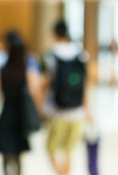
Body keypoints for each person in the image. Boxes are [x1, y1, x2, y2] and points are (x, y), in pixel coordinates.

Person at [42, 21, 92, 175]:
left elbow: (45, 83)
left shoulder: (50, 56)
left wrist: (41, 107)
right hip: (77, 110)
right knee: (69, 150)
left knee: (51, 147)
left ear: (54, 34)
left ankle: (59, 172)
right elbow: (86, 83)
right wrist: (88, 108)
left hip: (57, 109)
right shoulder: (81, 54)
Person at [0, 31, 40, 175]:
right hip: (21, 115)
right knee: (18, 154)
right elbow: (36, 90)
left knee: (5, 153)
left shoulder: (2, 69)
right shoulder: (27, 69)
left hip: (6, 114)